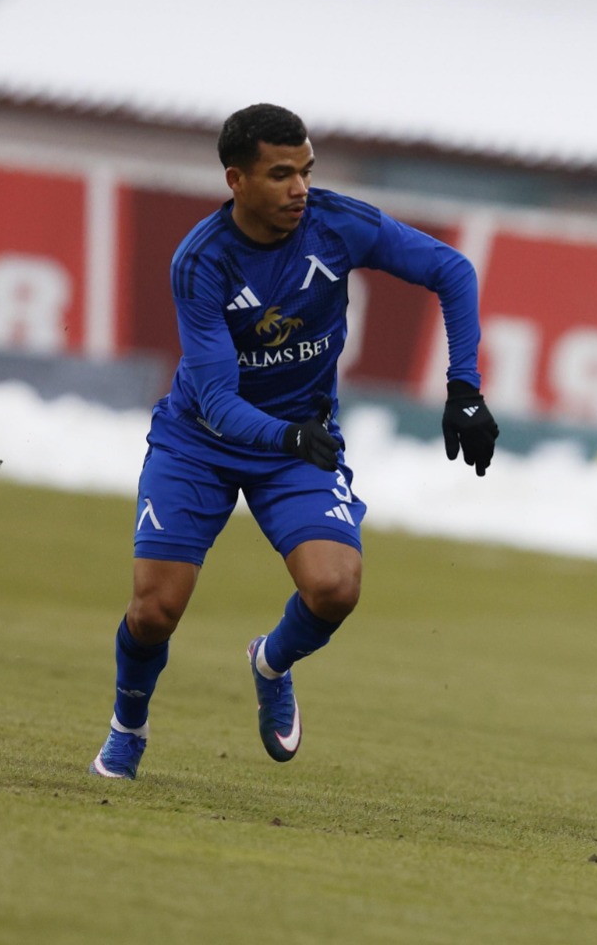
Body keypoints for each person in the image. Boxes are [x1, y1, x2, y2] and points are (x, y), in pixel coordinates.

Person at [90, 103, 499, 780]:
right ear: (236, 180)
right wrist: (289, 434)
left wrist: (464, 388)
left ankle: (270, 661)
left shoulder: (337, 224)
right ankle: (127, 725)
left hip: (298, 443)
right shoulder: (202, 262)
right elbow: (218, 399)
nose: (299, 189)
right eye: (281, 175)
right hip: (203, 440)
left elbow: (452, 270)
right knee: (156, 609)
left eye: (306, 171)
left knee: (336, 587)